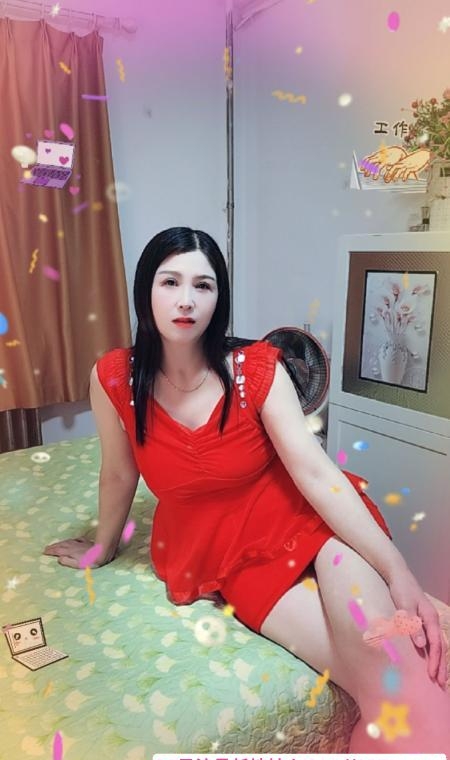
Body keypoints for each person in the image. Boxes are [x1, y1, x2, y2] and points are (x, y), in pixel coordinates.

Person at [44, 226, 450, 753]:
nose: (186, 300)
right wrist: (102, 547)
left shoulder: (257, 367)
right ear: (146, 291)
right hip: (229, 554)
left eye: (203, 285)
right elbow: (120, 474)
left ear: (220, 298)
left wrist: (399, 572)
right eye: (170, 282)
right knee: (375, 675)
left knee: (381, 639)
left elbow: (316, 474)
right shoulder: (116, 378)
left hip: (308, 520)